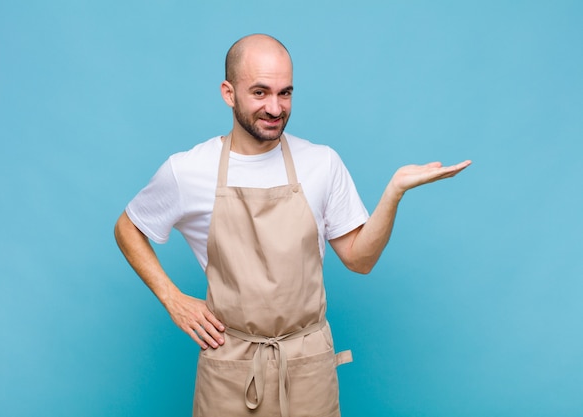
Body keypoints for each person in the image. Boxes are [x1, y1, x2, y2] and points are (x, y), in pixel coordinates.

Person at [114, 33, 471, 417]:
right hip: (231, 368)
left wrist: (393, 192)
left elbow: (359, 259)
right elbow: (127, 227)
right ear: (228, 92)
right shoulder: (188, 170)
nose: (275, 107)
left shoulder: (322, 162)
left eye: (285, 93)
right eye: (260, 92)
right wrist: (173, 298)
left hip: (307, 366)